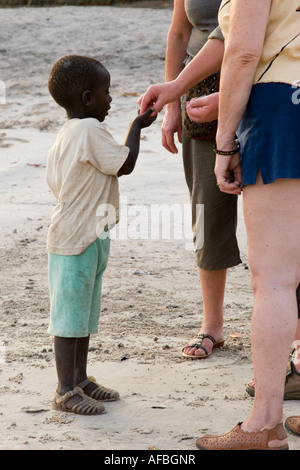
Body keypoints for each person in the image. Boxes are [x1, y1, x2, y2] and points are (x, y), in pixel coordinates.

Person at [140, 0, 300, 450]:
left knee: (274, 280)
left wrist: (227, 140)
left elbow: (244, 50)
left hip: (284, 105)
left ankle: (264, 425)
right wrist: (199, 91)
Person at [46, 55, 156, 415]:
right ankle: (65, 390)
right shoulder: (89, 130)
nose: (111, 100)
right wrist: (138, 125)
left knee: (82, 314)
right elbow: (124, 164)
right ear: (87, 98)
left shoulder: (67, 133)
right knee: (69, 318)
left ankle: (80, 380)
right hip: (76, 239)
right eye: (107, 93)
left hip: (84, 234)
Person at [161, 0, 241, 360]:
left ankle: (293, 330)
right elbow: (180, 32)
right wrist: (172, 103)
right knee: (207, 211)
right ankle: (212, 325)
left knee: (279, 216)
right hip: (199, 91)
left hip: (262, 85)